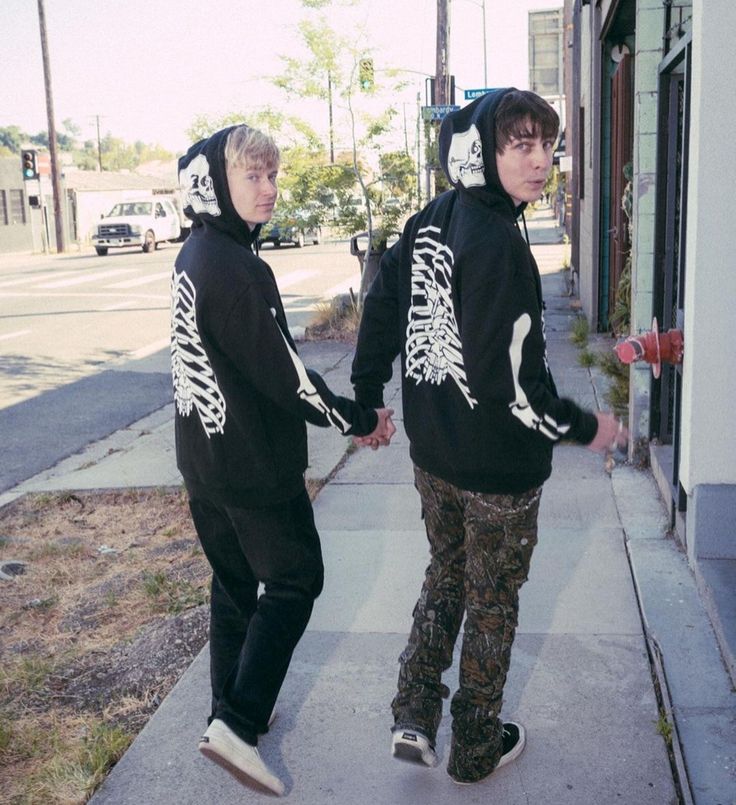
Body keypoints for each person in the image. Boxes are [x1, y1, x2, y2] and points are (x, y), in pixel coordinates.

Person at [350, 88, 627, 785]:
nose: (542, 162)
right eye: (522, 145)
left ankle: (414, 710)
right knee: (493, 601)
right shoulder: (499, 242)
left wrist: (367, 396)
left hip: (435, 455)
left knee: (446, 572)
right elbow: (515, 389)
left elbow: (381, 305)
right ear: (483, 151)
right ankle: (475, 746)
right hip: (496, 468)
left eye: (548, 145)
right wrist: (589, 426)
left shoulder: (434, 216)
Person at [171, 124, 394, 796]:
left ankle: (227, 710)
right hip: (251, 465)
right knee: (297, 578)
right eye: (253, 176)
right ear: (216, 183)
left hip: (205, 464)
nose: (269, 189)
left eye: (273, 175)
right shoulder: (238, 269)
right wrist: (360, 420)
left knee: (236, 585)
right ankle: (238, 725)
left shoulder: (196, 253)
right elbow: (289, 379)